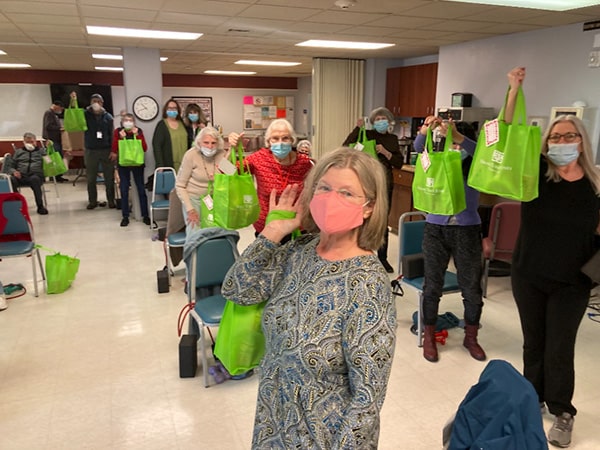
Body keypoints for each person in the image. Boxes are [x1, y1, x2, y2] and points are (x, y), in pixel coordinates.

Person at [221, 148, 397, 449]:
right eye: (324, 188)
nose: (331, 198)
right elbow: (239, 289)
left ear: (369, 207)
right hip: (273, 418)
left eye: (346, 193)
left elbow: (367, 399)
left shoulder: (368, 283)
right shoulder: (298, 251)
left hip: (323, 435)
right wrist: (273, 232)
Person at [506, 67, 600, 448]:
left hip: (572, 281)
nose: (562, 141)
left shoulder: (595, 187)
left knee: (559, 347)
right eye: (555, 136)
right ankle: (532, 399)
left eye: (569, 135)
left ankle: (563, 411)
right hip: (528, 273)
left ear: (582, 141)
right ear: (546, 143)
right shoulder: (534, 176)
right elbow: (508, 136)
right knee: (533, 344)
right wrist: (514, 90)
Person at [413, 118, 486, 363]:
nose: (454, 147)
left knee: (471, 289)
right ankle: (430, 336)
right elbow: (418, 147)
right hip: (436, 229)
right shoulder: (438, 159)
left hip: (467, 230)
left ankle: (471, 337)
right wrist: (426, 130)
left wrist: (459, 138)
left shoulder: (475, 163)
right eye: (449, 141)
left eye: (457, 142)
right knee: (432, 286)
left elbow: (483, 150)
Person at [228, 119, 313, 237]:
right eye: (275, 138)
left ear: (292, 140)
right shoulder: (259, 159)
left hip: (296, 226)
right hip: (267, 225)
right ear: (268, 141)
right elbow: (225, 170)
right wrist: (231, 149)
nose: (280, 143)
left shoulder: (303, 162)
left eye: (285, 138)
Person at [343, 107, 403, 273]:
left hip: (385, 183)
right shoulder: (367, 135)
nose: (380, 121)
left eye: (383, 118)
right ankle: (359, 253)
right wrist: (357, 128)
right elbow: (346, 145)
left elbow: (398, 162)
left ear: (389, 121)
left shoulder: (392, 139)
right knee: (362, 217)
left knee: (382, 221)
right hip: (367, 182)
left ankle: (382, 258)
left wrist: (385, 152)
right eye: (377, 119)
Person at [175, 127, 227, 234]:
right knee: (195, 234)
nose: (210, 146)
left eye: (213, 143)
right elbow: (180, 186)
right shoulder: (191, 155)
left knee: (215, 233)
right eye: (206, 142)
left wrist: (231, 151)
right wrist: (190, 209)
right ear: (199, 142)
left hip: (215, 199)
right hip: (194, 199)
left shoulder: (221, 154)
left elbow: (231, 174)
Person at [74, 92, 115, 210]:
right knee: (91, 178)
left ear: (102, 103)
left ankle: (111, 200)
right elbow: (75, 116)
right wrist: (74, 101)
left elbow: (111, 134)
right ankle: (92, 201)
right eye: (94, 101)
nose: (96, 104)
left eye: (98, 101)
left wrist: (113, 151)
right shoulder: (85, 115)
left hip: (106, 150)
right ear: (90, 103)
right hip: (91, 150)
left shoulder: (108, 117)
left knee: (109, 178)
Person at [111, 113, 150, 227]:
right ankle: (125, 216)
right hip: (123, 164)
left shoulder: (139, 131)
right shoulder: (118, 132)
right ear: (122, 122)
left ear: (134, 122)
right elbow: (114, 148)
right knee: (124, 190)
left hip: (137, 164)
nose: (128, 122)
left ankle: (145, 215)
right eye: (125, 120)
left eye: (130, 120)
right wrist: (121, 139)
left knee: (141, 190)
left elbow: (144, 148)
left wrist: (137, 135)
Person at [6, 132, 48, 215]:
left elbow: (50, 162)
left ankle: (40, 206)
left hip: (36, 175)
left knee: (34, 179)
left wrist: (49, 150)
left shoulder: (42, 151)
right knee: (11, 180)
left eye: (32, 142)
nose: (30, 144)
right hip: (21, 175)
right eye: (27, 142)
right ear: (24, 142)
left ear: (36, 142)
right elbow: (10, 166)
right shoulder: (18, 152)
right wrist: (14, 171)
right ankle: (18, 203)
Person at [152, 98, 188, 172]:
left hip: (185, 164)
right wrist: (160, 164)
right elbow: (157, 145)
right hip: (169, 165)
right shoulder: (162, 125)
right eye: (170, 108)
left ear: (178, 110)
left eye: (175, 108)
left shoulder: (183, 124)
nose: (172, 110)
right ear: (166, 110)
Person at [42, 99, 68, 182]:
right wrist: (60, 128)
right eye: (61, 108)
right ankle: (55, 176)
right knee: (54, 158)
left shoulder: (53, 114)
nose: (61, 110)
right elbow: (48, 126)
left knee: (58, 157)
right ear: (56, 106)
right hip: (52, 140)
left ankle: (57, 176)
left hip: (56, 139)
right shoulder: (49, 113)